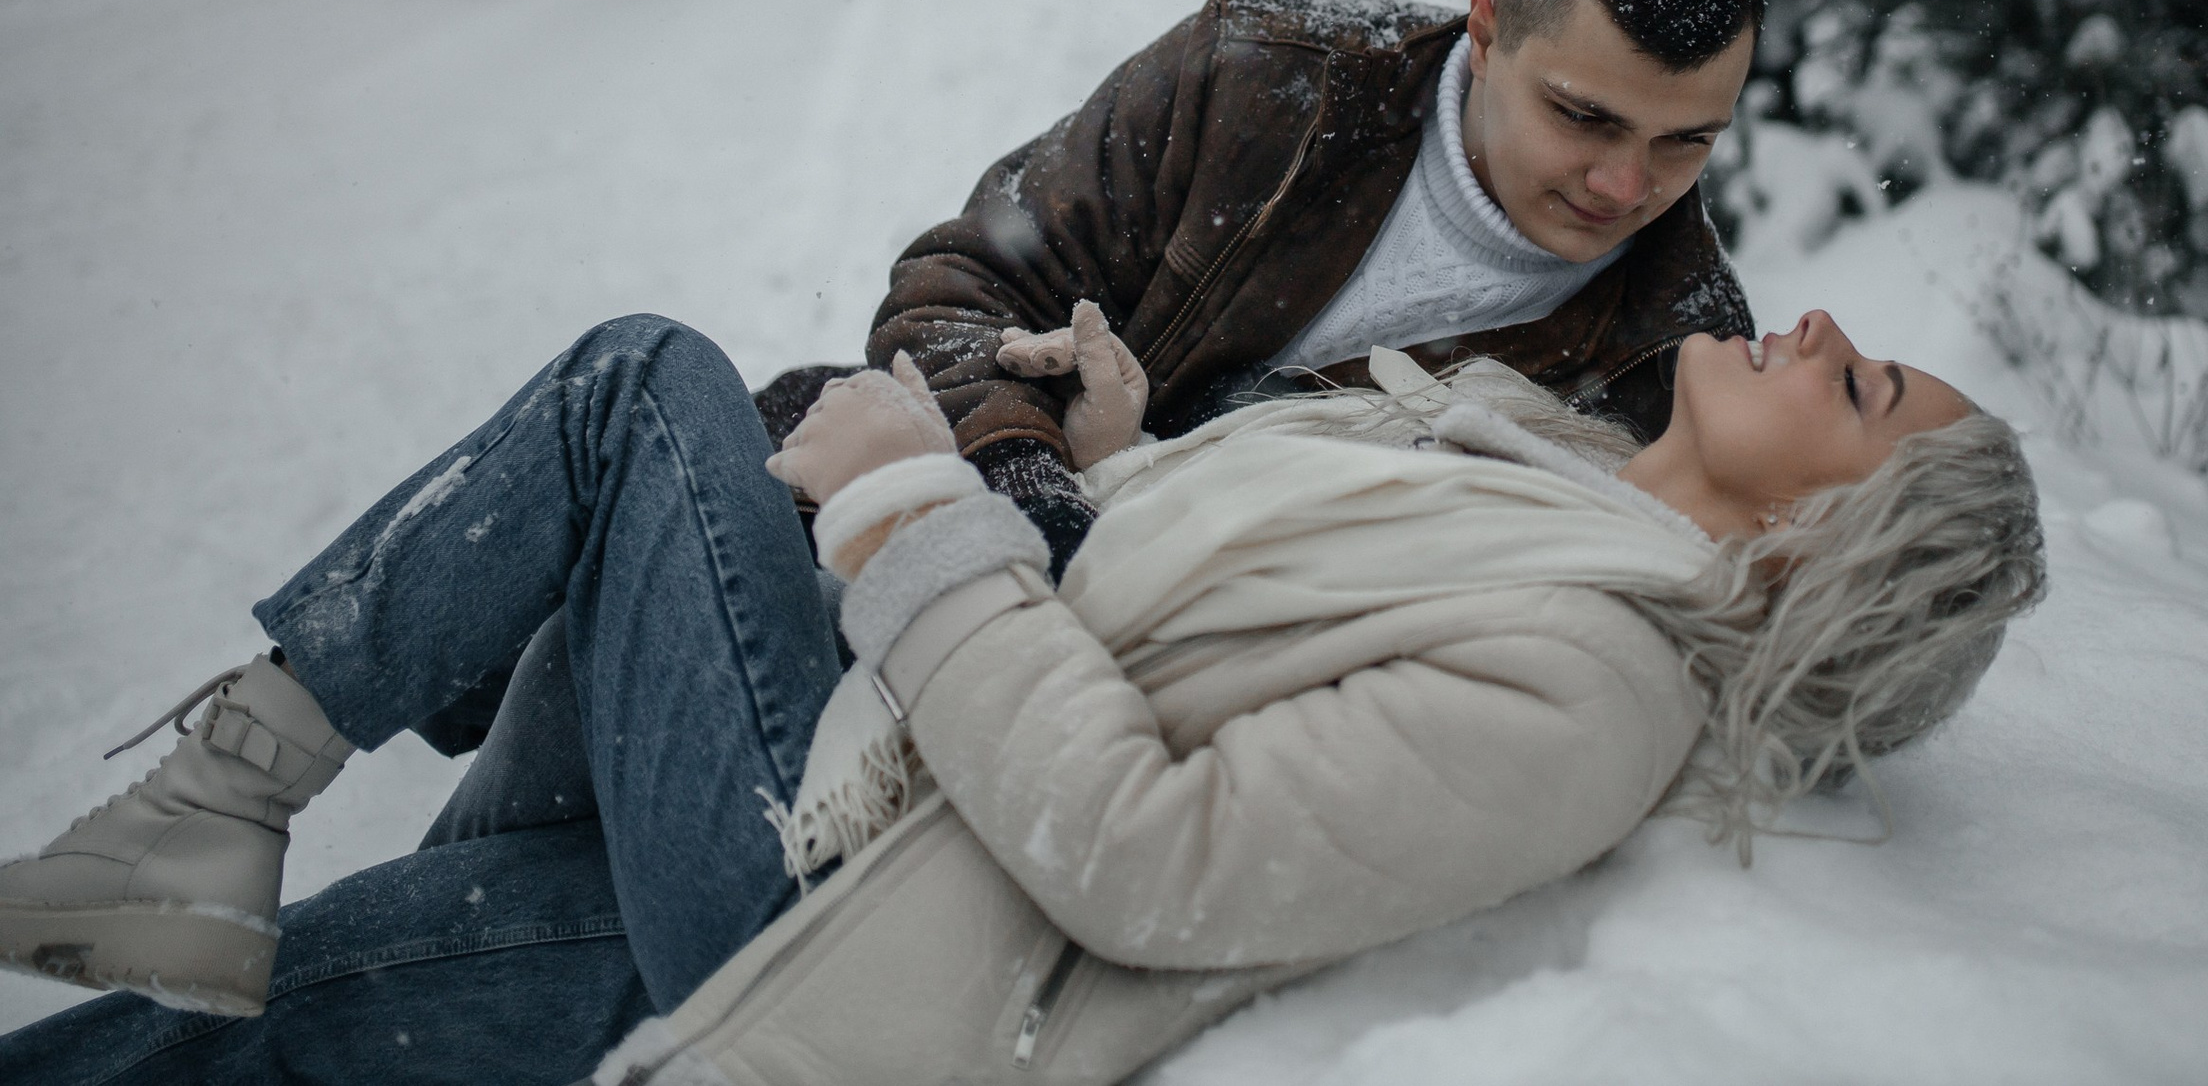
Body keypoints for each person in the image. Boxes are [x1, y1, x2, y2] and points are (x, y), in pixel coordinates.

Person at [0, 299, 2044, 1085]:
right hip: (868, 807)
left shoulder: (1600, 683)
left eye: (1860, 385)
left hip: (845, 896)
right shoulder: (1532, 469)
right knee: (327, 992)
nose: (1817, 324)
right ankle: (193, 851)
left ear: (1825, 543)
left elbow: (1152, 855)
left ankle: (205, 803)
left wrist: (909, 504)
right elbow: (1221, 620)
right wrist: (1138, 459)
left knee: (646, 389)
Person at [781, 0, 1773, 579]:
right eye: (1583, 117)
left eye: (1687, 140)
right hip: (928, 509)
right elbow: (962, 288)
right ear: (1486, 30)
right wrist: (1037, 505)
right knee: (701, 407)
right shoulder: (1264, 79)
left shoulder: (1683, 362)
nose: (1625, 187)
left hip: (1166, 687)